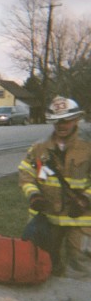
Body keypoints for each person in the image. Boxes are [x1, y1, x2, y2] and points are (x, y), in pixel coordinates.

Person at [18, 96, 91, 276]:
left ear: (76, 120)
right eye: (56, 121)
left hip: (80, 218)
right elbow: (25, 173)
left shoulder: (88, 147)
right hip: (48, 218)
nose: (61, 125)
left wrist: (85, 198)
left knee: (80, 264)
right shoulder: (40, 147)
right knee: (45, 263)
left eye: (66, 120)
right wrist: (34, 195)